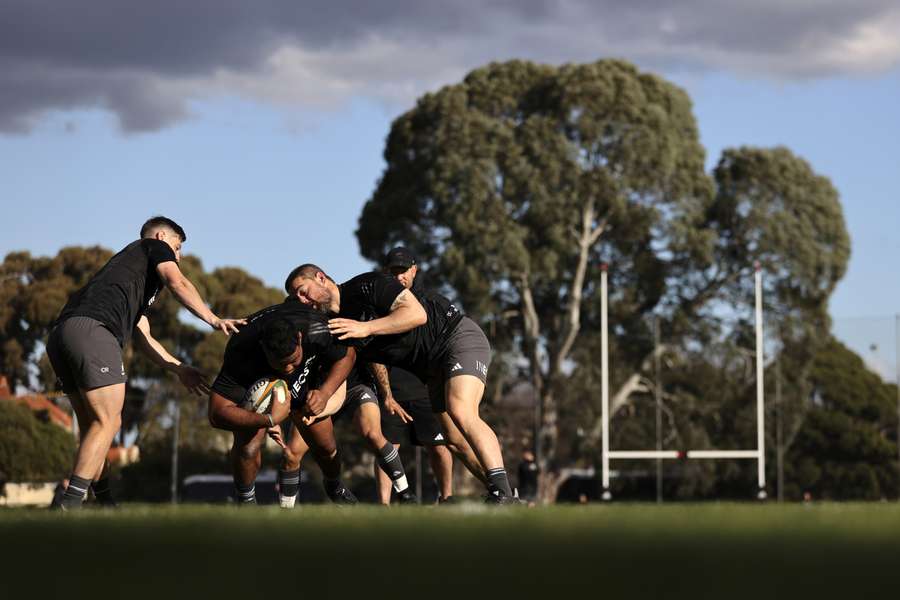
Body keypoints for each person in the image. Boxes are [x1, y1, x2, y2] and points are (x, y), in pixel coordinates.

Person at [47, 216, 244, 510]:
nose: (178, 257)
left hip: (61, 336)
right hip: (93, 331)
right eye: (177, 249)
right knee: (109, 421)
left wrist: (179, 368)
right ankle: (70, 505)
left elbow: (145, 338)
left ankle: (105, 504)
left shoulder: (126, 276)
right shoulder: (153, 245)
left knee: (94, 427)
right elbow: (177, 281)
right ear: (163, 237)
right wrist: (213, 319)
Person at [286, 262, 518, 503]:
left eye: (303, 291)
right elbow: (342, 381)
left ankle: (503, 493)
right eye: (296, 297)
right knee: (455, 440)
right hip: (431, 368)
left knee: (460, 409)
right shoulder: (335, 326)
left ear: (321, 278)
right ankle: (505, 494)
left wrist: (365, 328)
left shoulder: (365, 285)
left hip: (454, 337)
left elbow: (417, 315)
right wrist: (320, 407)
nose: (302, 300)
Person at [207, 299, 356, 505]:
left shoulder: (317, 327)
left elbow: (347, 355)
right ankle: (246, 501)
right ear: (263, 348)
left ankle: (334, 485)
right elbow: (216, 413)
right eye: (280, 362)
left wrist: (324, 392)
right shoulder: (242, 349)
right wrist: (267, 419)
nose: (287, 369)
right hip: (261, 391)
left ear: (300, 338)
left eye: (293, 360)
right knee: (248, 448)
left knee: (326, 448)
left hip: (306, 386)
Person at [376, 248, 455, 504]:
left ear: (414, 270)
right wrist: (385, 394)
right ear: (386, 273)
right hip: (393, 392)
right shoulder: (380, 306)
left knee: (439, 447)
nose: (399, 277)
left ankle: (446, 498)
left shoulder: (429, 303)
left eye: (403, 271)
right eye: (393, 271)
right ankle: (383, 505)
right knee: (388, 449)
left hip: (425, 389)